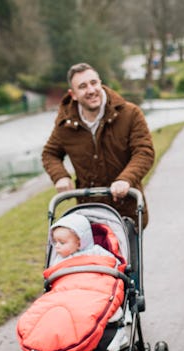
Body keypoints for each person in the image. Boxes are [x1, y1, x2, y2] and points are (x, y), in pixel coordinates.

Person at [42, 62, 154, 228]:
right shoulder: (65, 124)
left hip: (127, 212)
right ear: (73, 94)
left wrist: (126, 179)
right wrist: (60, 176)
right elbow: (49, 153)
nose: (91, 90)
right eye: (83, 86)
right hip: (89, 214)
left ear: (100, 83)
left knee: (125, 253)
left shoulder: (130, 114)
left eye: (94, 83)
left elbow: (144, 152)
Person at [49, 213, 115, 261]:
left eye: (62, 243)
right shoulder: (59, 259)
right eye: (55, 242)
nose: (56, 246)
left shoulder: (96, 251)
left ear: (79, 243)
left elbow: (113, 262)